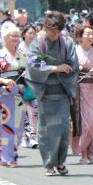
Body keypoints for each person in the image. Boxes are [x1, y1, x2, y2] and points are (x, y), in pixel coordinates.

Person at [25, 11, 79, 176]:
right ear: (45, 29)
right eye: (50, 30)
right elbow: (32, 62)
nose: (53, 34)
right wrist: (54, 68)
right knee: (46, 130)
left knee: (63, 129)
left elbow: (72, 65)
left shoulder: (67, 43)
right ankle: (49, 164)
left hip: (62, 92)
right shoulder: (38, 43)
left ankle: (60, 162)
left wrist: (62, 69)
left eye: (56, 31)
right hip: (45, 91)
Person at [0, 25, 28, 166]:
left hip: (19, 95)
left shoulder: (22, 55)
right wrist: (3, 80)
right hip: (3, 95)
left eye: (17, 36)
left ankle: (11, 153)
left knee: (19, 126)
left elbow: (34, 68)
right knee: (3, 125)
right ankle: (7, 156)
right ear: (4, 38)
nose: (15, 39)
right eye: (12, 36)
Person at [71, 26, 93, 164]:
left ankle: (90, 151)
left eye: (92, 34)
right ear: (79, 37)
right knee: (83, 123)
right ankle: (84, 154)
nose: (90, 37)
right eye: (87, 34)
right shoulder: (73, 53)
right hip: (79, 91)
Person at [19, 25, 39, 149]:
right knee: (24, 110)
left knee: (34, 110)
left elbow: (41, 63)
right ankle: (25, 137)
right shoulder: (19, 49)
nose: (32, 35)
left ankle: (32, 136)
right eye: (30, 33)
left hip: (34, 81)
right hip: (21, 82)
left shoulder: (36, 49)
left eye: (34, 33)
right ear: (24, 34)